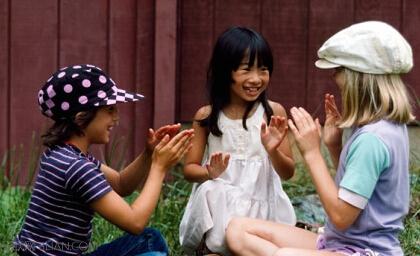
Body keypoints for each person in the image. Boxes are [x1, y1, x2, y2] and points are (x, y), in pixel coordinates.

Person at [226, 21, 414, 256]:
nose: (334, 76)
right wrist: (335, 147)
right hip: (338, 243)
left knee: (284, 255)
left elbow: (341, 216)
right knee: (238, 229)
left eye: (339, 70)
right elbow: (358, 191)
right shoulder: (383, 127)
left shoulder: (372, 139)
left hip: (366, 251)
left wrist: (313, 153)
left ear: (359, 78)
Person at [13, 64, 194, 256]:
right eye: (109, 109)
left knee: (150, 239)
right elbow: (135, 222)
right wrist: (159, 168)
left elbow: (121, 184)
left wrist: (149, 154)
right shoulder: (76, 167)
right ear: (81, 117)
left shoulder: (63, 153)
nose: (116, 117)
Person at [179, 26, 296, 255]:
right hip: (222, 208)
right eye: (246, 70)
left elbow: (288, 172)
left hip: (261, 206)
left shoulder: (273, 111)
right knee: (210, 189)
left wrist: (272, 151)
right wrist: (208, 173)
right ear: (226, 71)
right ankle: (211, 247)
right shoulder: (207, 116)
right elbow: (189, 170)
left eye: (263, 70)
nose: (256, 79)